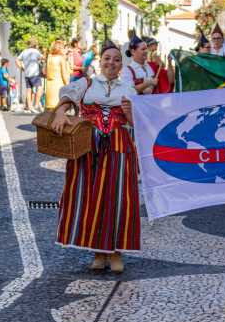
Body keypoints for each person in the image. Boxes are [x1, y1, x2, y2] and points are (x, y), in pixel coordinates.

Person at [51, 40, 140, 272]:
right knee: (91, 197)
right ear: (100, 61)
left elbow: (136, 125)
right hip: (88, 146)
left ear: (121, 64)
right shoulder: (87, 83)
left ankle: (116, 252)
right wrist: (60, 113)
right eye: (107, 58)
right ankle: (98, 252)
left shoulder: (128, 88)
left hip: (119, 146)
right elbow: (67, 99)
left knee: (117, 198)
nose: (112, 63)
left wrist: (130, 115)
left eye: (117, 59)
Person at [16, 39, 43, 113]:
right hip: (34, 73)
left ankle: (30, 106)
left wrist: (21, 67)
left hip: (27, 73)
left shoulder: (24, 51)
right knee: (40, 88)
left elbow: (17, 60)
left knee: (28, 89)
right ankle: (36, 105)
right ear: (35, 44)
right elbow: (42, 58)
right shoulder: (35, 51)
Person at [44, 40, 70, 110]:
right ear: (60, 48)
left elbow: (45, 72)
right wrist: (68, 85)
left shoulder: (49, 58)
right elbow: (64, 74)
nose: (64, 49)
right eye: (63, 48)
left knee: (50, 109)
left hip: (49, 86)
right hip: (59, 85)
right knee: (58, 108)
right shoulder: (61, 59)